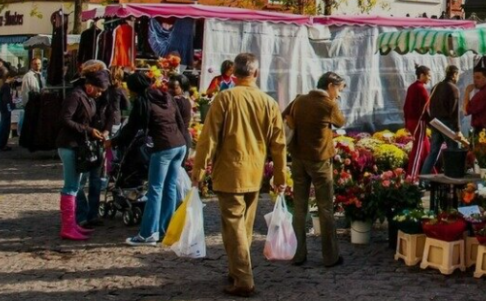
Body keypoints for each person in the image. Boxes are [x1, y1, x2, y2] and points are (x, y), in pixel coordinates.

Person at [192, 53, 287, 298]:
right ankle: (237, 270)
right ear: (255, 73)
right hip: (254, 173)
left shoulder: (224, 99)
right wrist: (280, 176)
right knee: (242, 226)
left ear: (234, 74)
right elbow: (278, 144)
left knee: (234, 226)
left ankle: (243, 277)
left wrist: (198, 171)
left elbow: (208, 138)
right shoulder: (268, 102)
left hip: (229, 172)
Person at [116, 71, 190, 246]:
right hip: (179, 144)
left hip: (163, 147)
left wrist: (114, 142)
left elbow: (131, 129)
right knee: (170, 188)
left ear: (135, 89)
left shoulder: (143, 102)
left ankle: (148, 233)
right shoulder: (166, 96)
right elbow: (180, 122)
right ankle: (165, 230)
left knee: (155, 189)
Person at [284, 72, 346, 268]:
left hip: (298, 158)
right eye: (338, 89)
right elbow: (341, 122)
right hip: (319, 160)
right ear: (330, 86)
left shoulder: (299, 100)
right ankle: (330, 256)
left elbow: (285, 115)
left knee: (299, 207)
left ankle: (297, 254)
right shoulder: (328, 104)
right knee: (325, 207)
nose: (338, 94)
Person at [55, 68, 110, 240]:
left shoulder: (89, 98)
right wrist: (88, 130)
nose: (100, 94)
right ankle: (68, 226)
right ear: (89, 86)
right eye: (99, 90)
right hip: (69, 145)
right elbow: (64, 119)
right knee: (71, 186)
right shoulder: (75, 96)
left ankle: (73, 225)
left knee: (75, 185)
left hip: (78, 146)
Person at [421, 65, 461, 175]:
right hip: (447, 124)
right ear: (454, 75)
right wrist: (457, 129)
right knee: (453, 151)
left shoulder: (436, 86)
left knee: (433, 152)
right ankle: (453, 177)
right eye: (457, 75)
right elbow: (454, 112)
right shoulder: (454, 89)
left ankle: (423, 180)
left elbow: (431, 106)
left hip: (436, 123)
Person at [0, 72, 17, 151]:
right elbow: (6, 100)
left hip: (4, 109)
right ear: (9, 77)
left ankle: (2, 144)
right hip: (6, 110)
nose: (14, 80)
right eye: (14, 78)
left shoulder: (5, 86)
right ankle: (2, 145)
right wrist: (9, 108)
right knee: (5, 127)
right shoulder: (6, 87)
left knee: (4, 127)